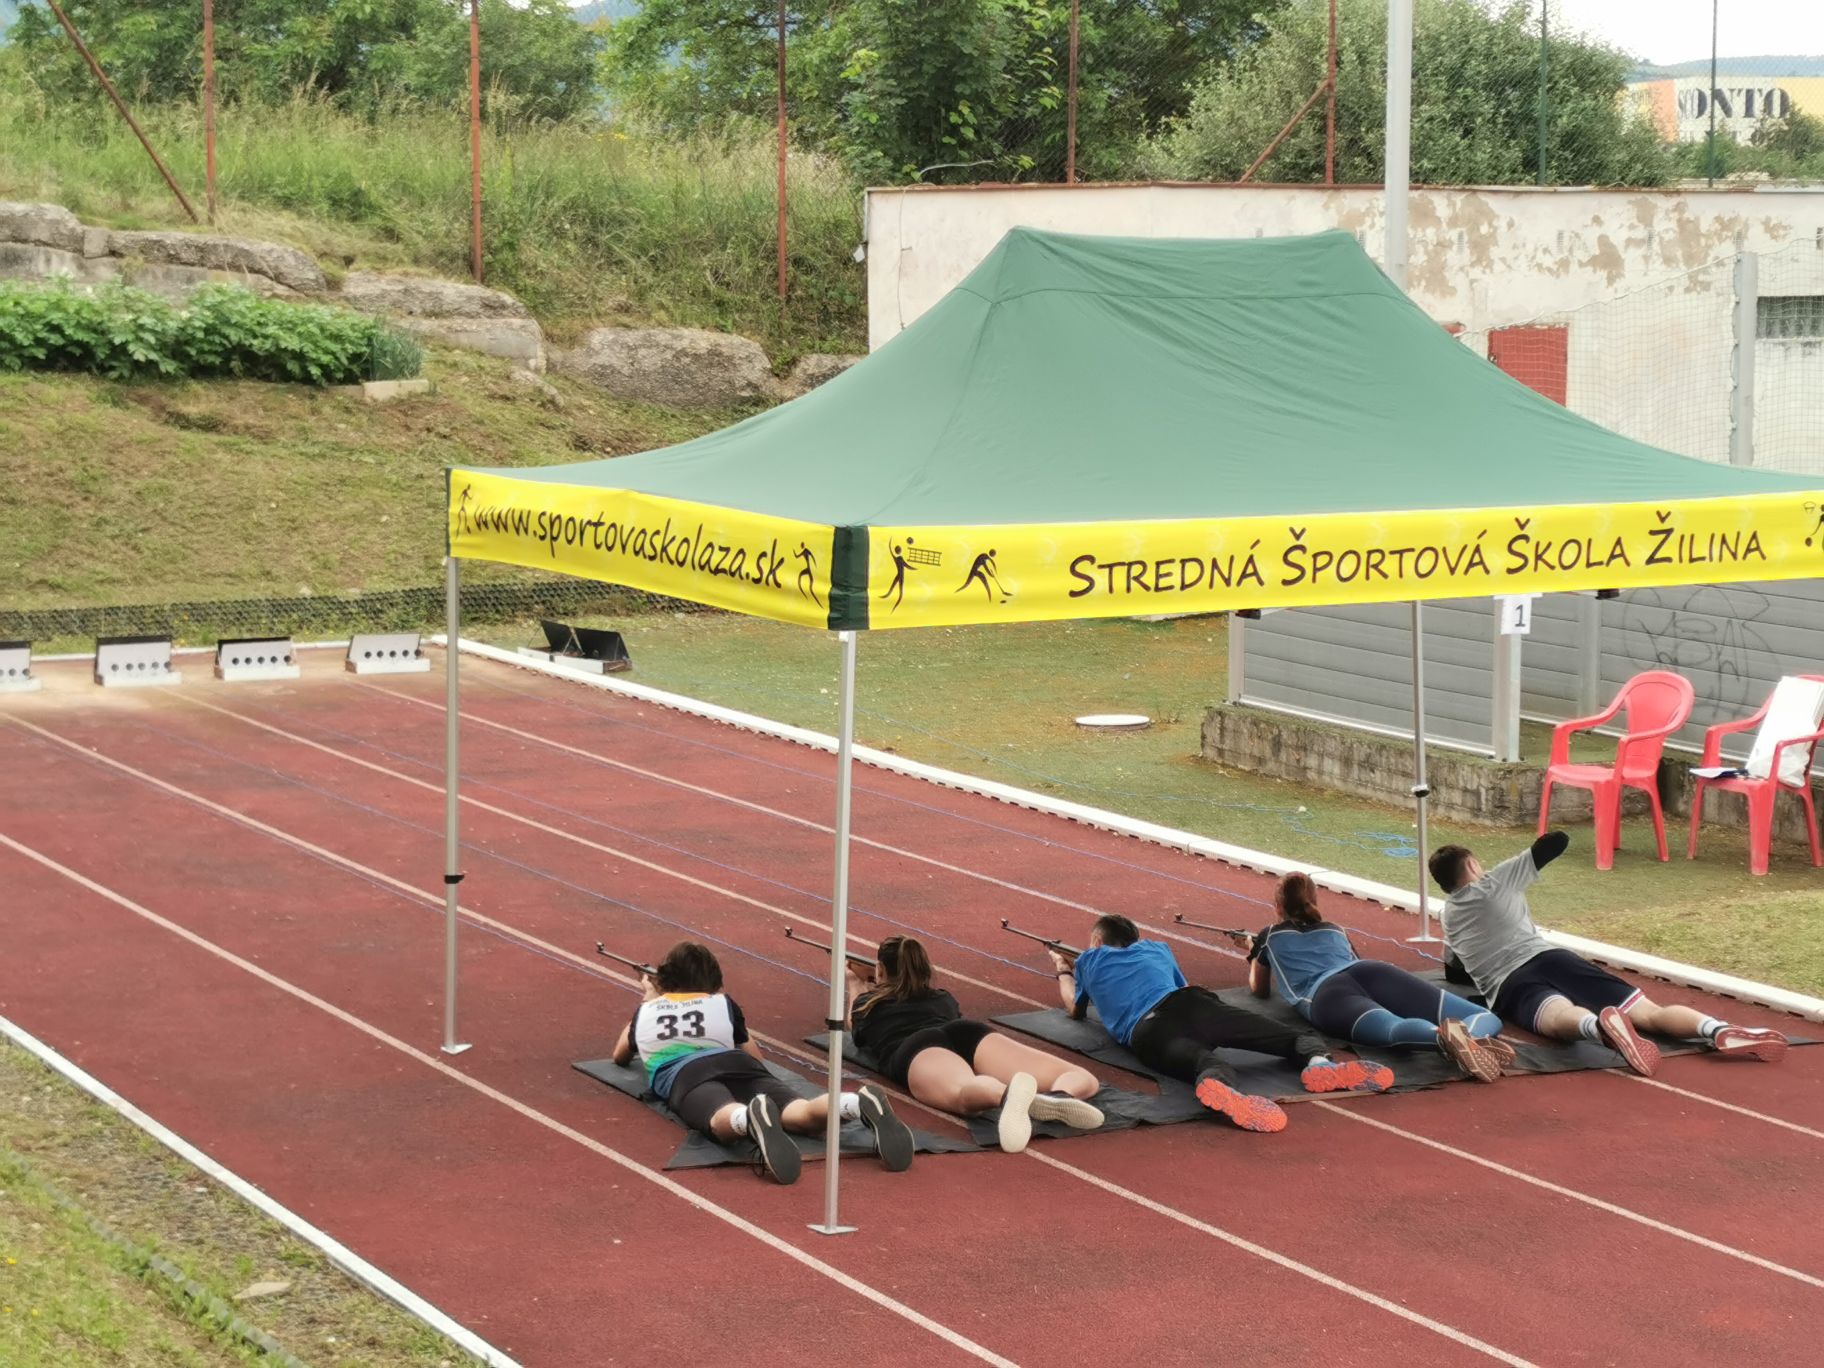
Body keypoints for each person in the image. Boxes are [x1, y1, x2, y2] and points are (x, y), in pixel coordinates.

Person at [1431, 833, 1789, 1076]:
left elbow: (1457, 971)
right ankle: (1717, 1029)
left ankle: (1597, 1026)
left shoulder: (1448, 916)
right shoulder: (1498, 881)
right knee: (1650, 1013)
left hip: (1509, 984)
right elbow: (1557, 841)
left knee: (1559, 1018)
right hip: (1552, 958)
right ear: (1473, 866)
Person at [1053, 915, 1393, 1134]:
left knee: (1205, 1064)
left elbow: (1074, 1009)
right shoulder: (1157, 949)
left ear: (1096, 942)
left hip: (1149, 1030)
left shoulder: (1088, 961)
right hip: (1193, 1004)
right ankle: (1319, 1063)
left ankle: (1221, 1086)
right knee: (1292, 1038)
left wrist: (1063, 969)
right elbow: (1180, 984)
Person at [612, 941, 914, 1184]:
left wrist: (649, 999)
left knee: (718, 1117)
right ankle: (854, 1104)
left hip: (686, 1074)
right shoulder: (723, 1003)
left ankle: (748, 1118)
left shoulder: (646, 1011)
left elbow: (621, 1055)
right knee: (800, 1113)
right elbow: (753, 1053)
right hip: (739, 1063)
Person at [1241, 873, 1515, 1083]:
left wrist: (1252, 952)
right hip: (1371, 971)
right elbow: (1354, 966)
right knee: (1480, 1013)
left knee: (1393, 1028)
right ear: (1314, 901)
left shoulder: (1269, 934)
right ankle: (1473, 1035)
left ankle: (1441, 1037)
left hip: (1327, 995)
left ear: (1278, 906)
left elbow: (1259, 989)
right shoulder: (1336, 929)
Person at [848, 936, 1104, 1154]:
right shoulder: (943, 998)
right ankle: (1059, 1095)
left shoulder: (869, 1005)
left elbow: (853, 1025)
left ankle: (1005, 1095)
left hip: (917, 1046)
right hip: (965, 1032)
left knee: (963, 1092)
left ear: (880, 969)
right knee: (1081, 1077)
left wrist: (855, 983)